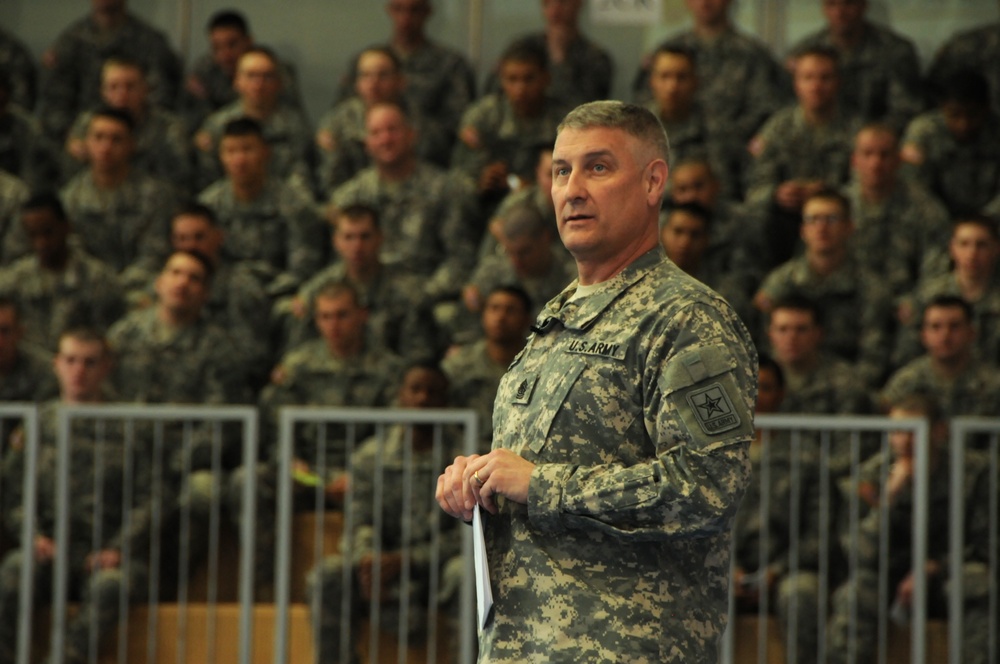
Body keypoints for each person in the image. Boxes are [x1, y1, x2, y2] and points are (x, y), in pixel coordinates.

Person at [436, 100, 758, 662]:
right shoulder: (557, 317)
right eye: (561, 171)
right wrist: (478, 482)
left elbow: (708, 486)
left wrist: (543, 486)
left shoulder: (686, 319)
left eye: (598, 168)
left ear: (654, 181)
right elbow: (526, 471)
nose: (572, 189)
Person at [0, 328, 161, 664]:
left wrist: (120, 547)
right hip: (49, 549)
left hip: (109, 553)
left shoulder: (130, 425)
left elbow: (152, 496)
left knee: (112, 586)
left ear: (106, 368)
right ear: (56, 364)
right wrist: (32, 535)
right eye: (70, 360)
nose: (79, 371)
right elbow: (13, 493)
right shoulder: (39, 424)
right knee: (15, 570)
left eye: (90, 362)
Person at [307, 362, 463, 664]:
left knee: (464, 572)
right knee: (328, 575)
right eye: (414, 390)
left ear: (446, 401)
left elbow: (466, 536)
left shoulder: (465, 456)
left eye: (432, 392)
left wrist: (409, 560)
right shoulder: (370, 456)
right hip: (381, 568)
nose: (422, 399)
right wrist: (367, 561)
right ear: (400, 397)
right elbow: (358, 521)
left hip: (436, 569)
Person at [826, 393, 993, 664]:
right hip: (889, 575)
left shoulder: (972, 471)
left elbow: (986, 544)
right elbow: (860, 552)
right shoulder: (871, 474)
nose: (904, 441)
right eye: (897, 431)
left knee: (975, 582)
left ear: (939, 431)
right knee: (854, 594)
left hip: (948, 572)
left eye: (914, 431)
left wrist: (934, 566)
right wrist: (889, 497)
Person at [329, 102, 478, 317]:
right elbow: (338, 262)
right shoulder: (348, 196)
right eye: (376, 133)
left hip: (425, 295)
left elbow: (460, 258)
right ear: (366, 143)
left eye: (392, 130)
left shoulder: (445, 189)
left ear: (411, 135)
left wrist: (424, 294)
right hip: (363, 300)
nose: (386, 139)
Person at [753, 188, 894, 386]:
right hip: (784, 385)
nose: (822, 228)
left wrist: (847, 389)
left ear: (849, 227)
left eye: (831, 219)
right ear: (802, 230)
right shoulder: (781, 282)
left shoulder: (871, 288)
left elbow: (873, 356)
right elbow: (765, 345)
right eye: (813, 220)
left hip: (846, 387)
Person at [632, 0, 787, 155]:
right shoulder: (667, 53)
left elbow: (769, 114)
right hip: (671, 154)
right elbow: (644, 108)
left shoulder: (753, 55)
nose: (705, 2)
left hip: (735, 159)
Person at [198, 117, 325, 296]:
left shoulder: (293, 204)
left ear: (266, 152)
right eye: (231, 151)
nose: (239, 160)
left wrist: (260, 294)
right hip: (222, 296)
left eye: (247, 149)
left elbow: (302, 270)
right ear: (221, 157)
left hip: (278, 294)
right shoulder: (208, 206)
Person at [333, 0, 476, 155]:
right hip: (363, 156)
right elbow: (341, 113)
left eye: (414, 10)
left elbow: (458, 128)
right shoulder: (366, 61)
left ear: (427, 12)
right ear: (389, 10)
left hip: (427, 158)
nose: (405, 19)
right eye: (398, 9)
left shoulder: (451, 64)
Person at [36, 0, 182, 142]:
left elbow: (162, 96)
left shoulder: (150, 41)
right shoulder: (70, 42)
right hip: (84, 138)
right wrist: (75, 138)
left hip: (142, 139)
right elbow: (54, 102)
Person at [451, 38, 569, 209]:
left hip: (544, 206)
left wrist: (530, 189)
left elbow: (573, 178)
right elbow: (457, 174)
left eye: (529, 79)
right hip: (486, 206)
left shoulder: (564, 121)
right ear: (501, 80)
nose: (520, 89)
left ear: (545, 78)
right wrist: (480, 181)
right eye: (512, 79)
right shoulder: (483, 116)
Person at [58, 106, 176, 274]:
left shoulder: (155, 195)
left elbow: (155, 254)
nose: (106, 147)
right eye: (98, 138)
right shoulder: (71, 198)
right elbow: (74, 255)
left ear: (131, 144)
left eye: (116, 139)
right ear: (86, 143)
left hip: (142, 286)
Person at [0, 193, 124, 352]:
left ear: (66, 226)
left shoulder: (98, 280)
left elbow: (107, 340)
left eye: (48, 232)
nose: (41, 243)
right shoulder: (13, 281)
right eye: (33, 235)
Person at [841, 123, 950, 301]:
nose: (876, 163)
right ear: (854, 160)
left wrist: (916, 302)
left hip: (907, 305)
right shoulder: (839, 207)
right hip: (852, 304)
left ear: (899, 160)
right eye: (867, 154)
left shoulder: (925, 208)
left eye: (884, 155)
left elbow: (938, 269)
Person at [786, 0, 922, 134]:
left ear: (863, 6)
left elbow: (906, 110)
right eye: (832, 4)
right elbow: (791, 108)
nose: (840, 12)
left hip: (877, 145)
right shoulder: (804, 52)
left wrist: (869, 137)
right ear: (824, 8)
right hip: (822, 138)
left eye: (848, 4)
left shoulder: (894, 51)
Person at [194, 47, 312, 194]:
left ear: (279, 82)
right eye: (251, 76)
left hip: (283, 205)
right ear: (237, 81)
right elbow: (207, 179)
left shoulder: (295, 126)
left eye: (266, 76)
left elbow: (302, 177)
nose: (258, 84)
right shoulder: (217, 125)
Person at [63, 56, 191, 189]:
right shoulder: (88, 123)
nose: (122, 95)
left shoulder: (169, 126)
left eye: (130, 87)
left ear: (145, 89)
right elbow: (71, 176)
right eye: (113, 87)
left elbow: (180, 178)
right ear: (103, 92)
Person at [895, 215, 1000, 368]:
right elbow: (906, 354)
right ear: (952, 248)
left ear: (996, 248)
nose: (972, 254)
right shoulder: (928, 295)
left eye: (981, 245)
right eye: (964, 244)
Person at [880, 295, 1000, 421]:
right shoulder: (906, 384)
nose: (945, 336)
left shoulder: (993, 386)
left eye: (954, 326)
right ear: (924, 335)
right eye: (936, 327)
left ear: (971, 332)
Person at [900, 68, 1000, 218]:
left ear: (986, 109)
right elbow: (915, 187)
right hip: (934, 218)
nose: (963, 124)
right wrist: (941, 220)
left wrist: (986, 219)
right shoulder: (924, 132)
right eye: (955, 115)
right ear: (942, 109)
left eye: (972, 114)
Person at [443, 286, 533, 450]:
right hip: (466, 454)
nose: (501, 317)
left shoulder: (539, 363)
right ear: (483, 314)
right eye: (494, 308)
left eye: (510, 310)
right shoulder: (459, 365)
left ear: (527, 319)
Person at [182, 10, 303, 132]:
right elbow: (191, 118)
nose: (225, 55)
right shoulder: (204, 70)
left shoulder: (270, 68)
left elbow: (292, 115)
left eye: (232, 45)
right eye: (216, 47)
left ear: (248, 41)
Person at [484, 0, 613, 109]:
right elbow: (492, 93)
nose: (554, 11)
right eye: (547, 3)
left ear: (578, 4)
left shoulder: (595, 57)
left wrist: (559, 60)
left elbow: (587, 109)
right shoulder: (522, 46)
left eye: (562, 3)